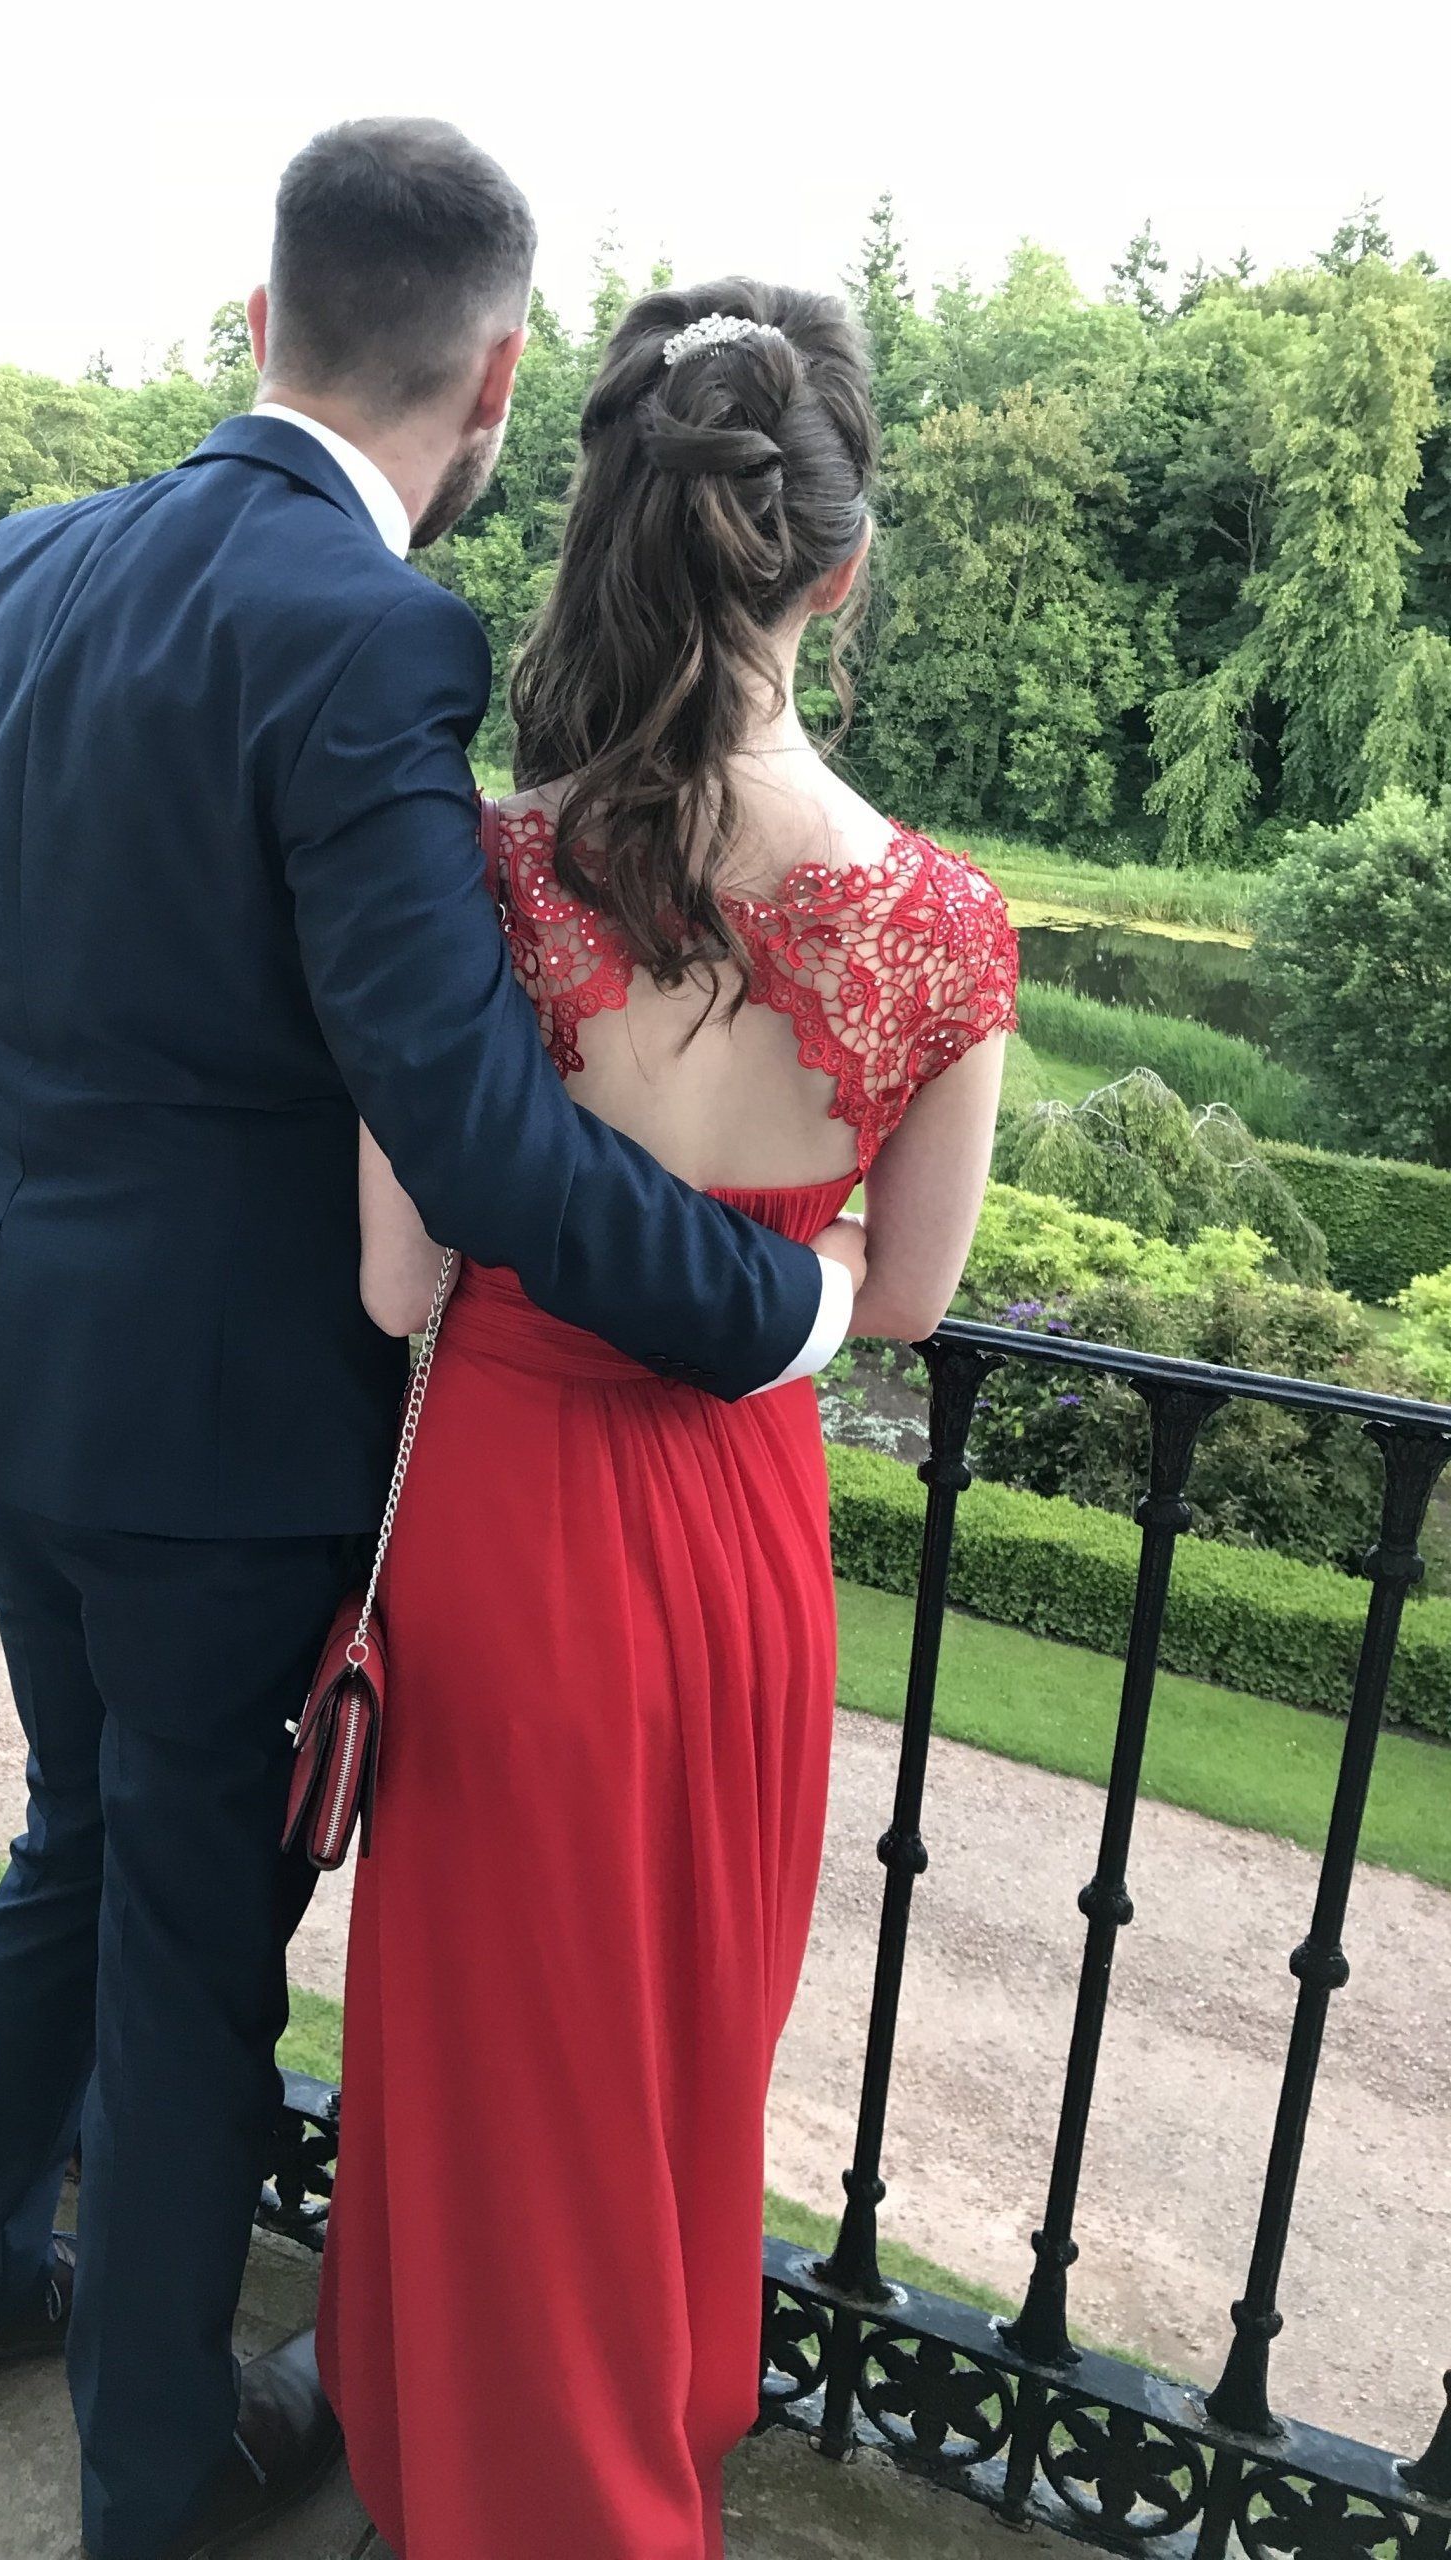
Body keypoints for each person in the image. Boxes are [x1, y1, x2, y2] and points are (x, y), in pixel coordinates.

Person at [0, 131, 859, 2560]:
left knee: (90, 1835)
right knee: (187, 1940)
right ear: (496, 384)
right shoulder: (378, 637)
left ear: (261, 322)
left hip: (15, 1362)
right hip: (218, 1435)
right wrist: (767, 1308)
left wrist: (42, 1162)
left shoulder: (30, 558)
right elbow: (467, 1125)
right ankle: (156, 2474)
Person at [321, 279, 1017, 2560]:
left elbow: (397, 1277)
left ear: (610, 523)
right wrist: (782, 1249)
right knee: (680, 2040)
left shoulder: (490, 872)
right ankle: (637, 2457)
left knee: (493, 2040)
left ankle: (465, 2471)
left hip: (504, 1518)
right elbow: (900, 1300)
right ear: (840, 571)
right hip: (734, 1540)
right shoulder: (942, 930)